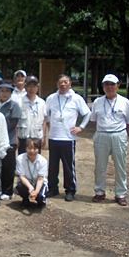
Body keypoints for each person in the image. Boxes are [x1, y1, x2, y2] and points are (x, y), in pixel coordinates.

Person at [90, 74, 129, 206]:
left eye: (112, 84)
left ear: (118, 86)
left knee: (120, 166)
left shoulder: (124, 102)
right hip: (102, 135)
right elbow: (94, 120)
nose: (109, 87)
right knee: (100, 166)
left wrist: (121, 134)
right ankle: (99, 191)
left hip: (118, 135)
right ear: (103, 86)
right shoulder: (98, 102)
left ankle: (120, 194)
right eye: (106, 84)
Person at [45, 74, 91, 202]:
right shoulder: (52, 98)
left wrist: (80, 127)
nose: (63, 85)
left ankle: (70, 190)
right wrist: (48, 123)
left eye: (65, 82)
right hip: (54, 136)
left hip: (68, 138)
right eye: (60, 82)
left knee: (68, 165)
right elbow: (45, 113)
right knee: (53, 165)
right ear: (57, 84)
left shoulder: (76, 98)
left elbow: (87, 113)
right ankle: (53, 188)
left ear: (70, 84)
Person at [0, 82, 22, 201]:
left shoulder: (14, 106)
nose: (4, 93)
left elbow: (12, 124)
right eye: (2, 91)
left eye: (7, 91)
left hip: (9, 141)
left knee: (8, 167)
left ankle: (8, 190)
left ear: (10, 93)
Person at [17, 75, 47, 154]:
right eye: (29, 86)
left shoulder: (42, 102)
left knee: (35, 160)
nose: (32, 89)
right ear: (25, 87)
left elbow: (44, 121)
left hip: (37, 137)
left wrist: (43, 136)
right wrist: (16, 137)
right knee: (22, 160)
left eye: (34, 86)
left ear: (37, 88)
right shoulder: (19, 102)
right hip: (23, 137)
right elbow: (16, 120)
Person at [15, 138, 48, 209]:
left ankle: (41, 201)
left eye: (35, 148)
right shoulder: (20, 158)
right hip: (26, 182)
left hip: (38, 183)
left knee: (39, 196)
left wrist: (36, 192)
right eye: (29, 148)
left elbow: (40, 179)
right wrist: (30, 187)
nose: (32, 151)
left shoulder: (43, 161)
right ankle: (25, 200)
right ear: (26, 148)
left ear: (38, 149)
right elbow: (22, 176)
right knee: (20, 187)